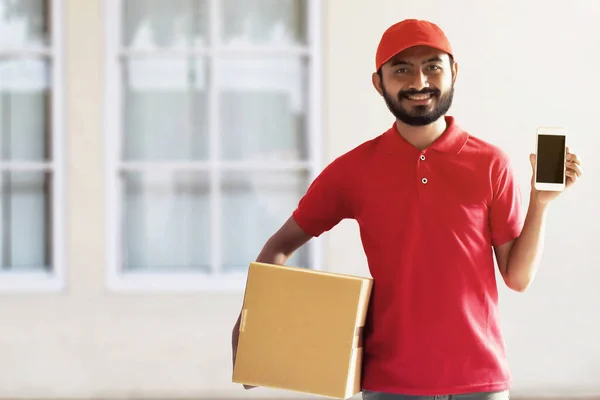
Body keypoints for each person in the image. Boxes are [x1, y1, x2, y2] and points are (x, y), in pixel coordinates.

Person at [231, 18, 583, 400]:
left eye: (432, 66)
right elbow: (280, 245)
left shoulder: (490, 163)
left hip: (480, 379)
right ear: (378, 82)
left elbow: (517, 277)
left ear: (454, 73)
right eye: (401, 69)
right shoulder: (354, 170)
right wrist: (253, 326)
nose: (419, 82)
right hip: (389, 382)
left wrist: (541, 202)